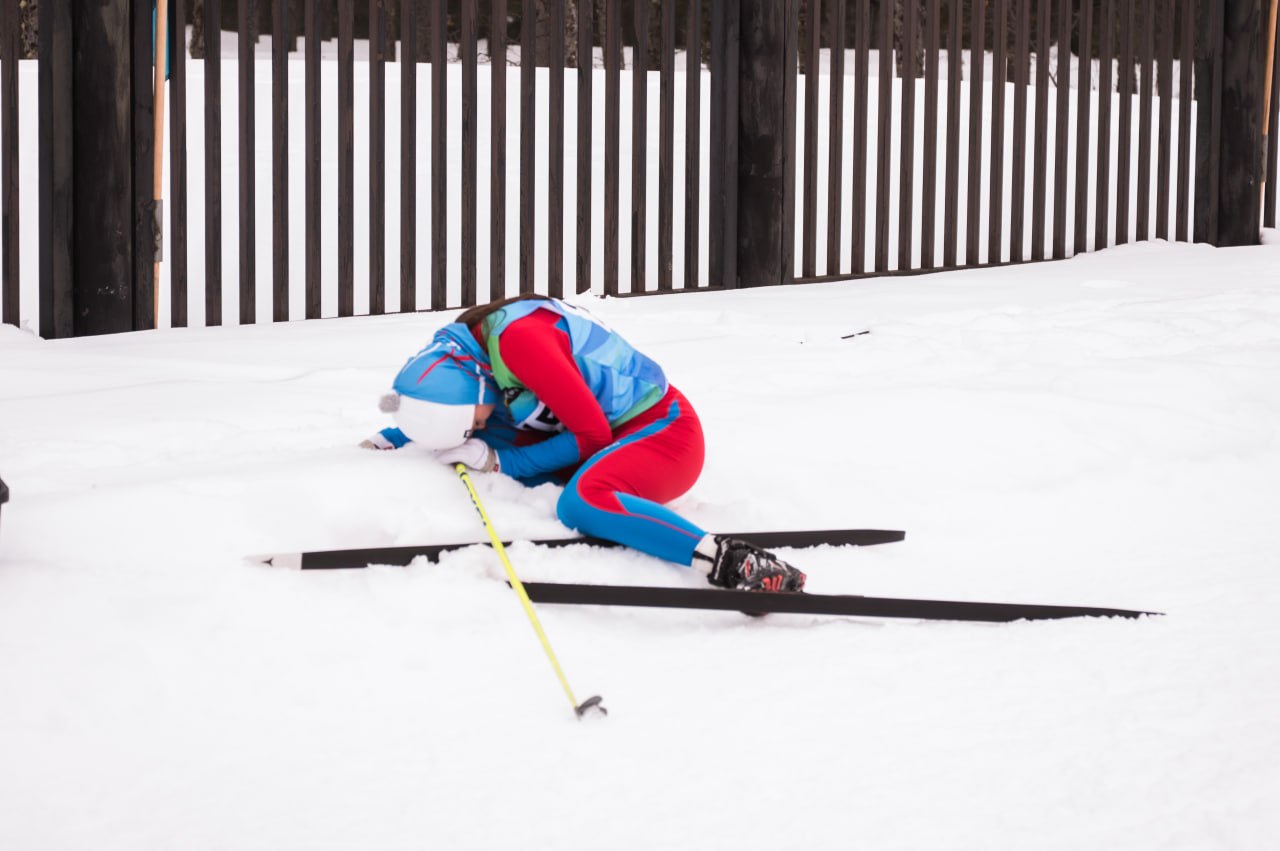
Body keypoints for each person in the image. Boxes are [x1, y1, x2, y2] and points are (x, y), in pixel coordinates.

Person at [361, 294, 806, 593]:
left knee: (580, 503)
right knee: (500, 440)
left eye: (470, 420)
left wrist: (500, 461)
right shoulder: (470, 353)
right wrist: (401, 432)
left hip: (664, 434)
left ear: (471, 388)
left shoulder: (519, 342)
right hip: (614, 435)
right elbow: (453, 400)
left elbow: (591, 436)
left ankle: (727, 560)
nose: (474, 427)